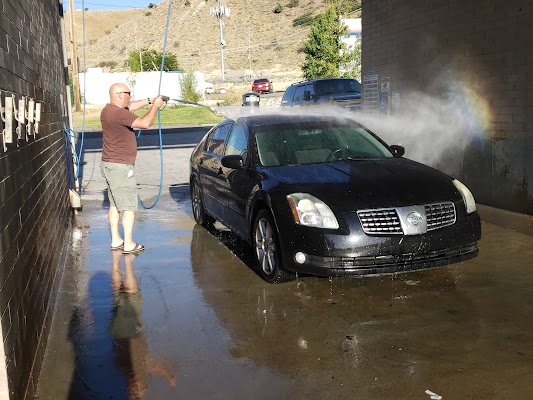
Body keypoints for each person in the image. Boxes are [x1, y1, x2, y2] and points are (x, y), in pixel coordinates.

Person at [100, 83, 164, 254]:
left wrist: (150, 100)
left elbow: (131, 105)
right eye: (129, 93)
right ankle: (128, 243)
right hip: (121, 168)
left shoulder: (108, 109)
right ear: (120, 94)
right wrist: (155, 107)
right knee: (128, 206)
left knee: (114, 204)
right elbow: (144, 123)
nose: (130, 96)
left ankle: (116, 239)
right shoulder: (119, 113)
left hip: (109, 165)